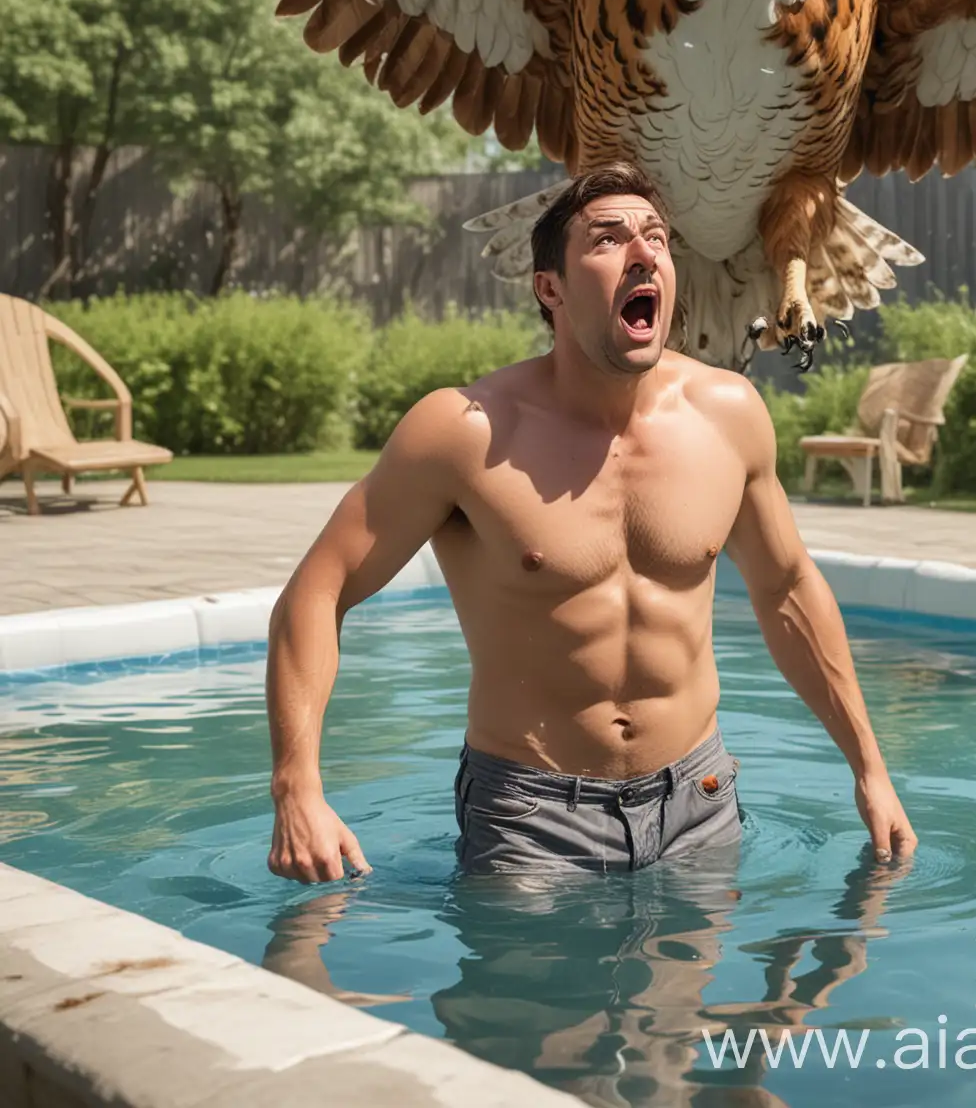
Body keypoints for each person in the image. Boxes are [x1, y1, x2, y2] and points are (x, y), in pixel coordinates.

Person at [265, 161, 916, 882]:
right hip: (530, 818)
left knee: (684, 1002)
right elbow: (317, 592)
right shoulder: (464, 433)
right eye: (608, 240)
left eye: (657, 239)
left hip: (698, 801)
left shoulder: (729, 416)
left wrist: (870, 770)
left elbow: (787, 589)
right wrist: (298, 789)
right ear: (551, 288)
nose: (644, 254)